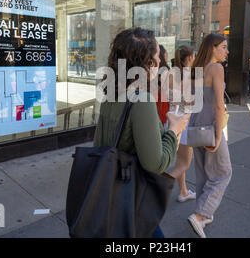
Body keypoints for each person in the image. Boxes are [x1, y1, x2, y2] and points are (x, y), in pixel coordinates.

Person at [93, 28, 190, 238]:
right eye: (157, 57)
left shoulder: (111, 92)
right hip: (131, 198)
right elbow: (156, 163)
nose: (160, 63)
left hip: (107, 190)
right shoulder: (141, 99)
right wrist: (174, 130)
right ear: (146, 62)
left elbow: (100, 143)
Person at [187, 34, 232, 238]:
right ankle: (199, 215)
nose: (226, 51)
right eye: (223, 47)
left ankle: (204, 215)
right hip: (211, 126)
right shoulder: (216, 68)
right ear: (213, 48)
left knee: (203, 173)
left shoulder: (196, 69)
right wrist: (219, 134)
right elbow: (218, 104)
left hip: (196, 125)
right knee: (223, 172)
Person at [168, 45, 196, 203]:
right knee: (184, 164)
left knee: (180, 160)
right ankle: (155, 188)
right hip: (184, 122)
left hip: (172, 120)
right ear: (190, 58)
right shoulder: (188, 76)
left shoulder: (171, 74)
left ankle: (183, 192)